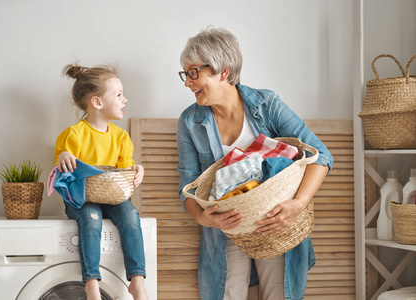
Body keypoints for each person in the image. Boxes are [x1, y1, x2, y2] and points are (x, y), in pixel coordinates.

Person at [176, 27, 333, 300]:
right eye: (185, 74)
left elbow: (320, 155)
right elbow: (187, 185)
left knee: (279, 293)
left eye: (193, 73)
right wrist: (202, 217)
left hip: (275, 221)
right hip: (226, 227)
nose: (188, 82)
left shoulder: (266, 104)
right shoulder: (191, 121)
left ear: (222, 71)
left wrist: (298, 204)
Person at [54, 64, 149, 300]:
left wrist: (138, 169)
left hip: (112, 198)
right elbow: (62, 171)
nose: (125, 99)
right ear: (97, 103)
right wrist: (63, 156)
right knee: (91, 218)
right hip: (82, 198)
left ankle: (137, 280)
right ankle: (92, 283)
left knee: (131, 216)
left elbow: (123, 171)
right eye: (119, 94)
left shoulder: (121, 137)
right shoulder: (74, 135)